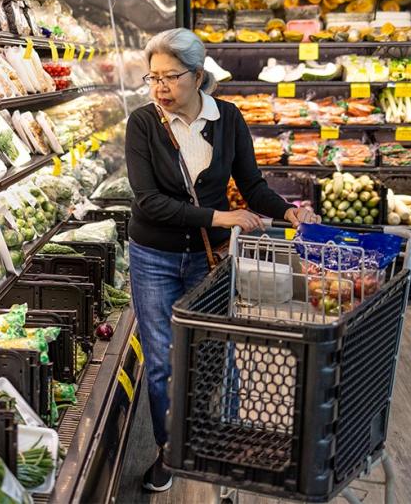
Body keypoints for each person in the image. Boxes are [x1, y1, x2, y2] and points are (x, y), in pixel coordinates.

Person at [125, 28, 319, 492]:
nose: (160, 88)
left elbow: (251, 185)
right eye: (153, 78)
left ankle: (213, 442)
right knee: (162, 363)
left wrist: (288, 211)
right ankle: (169, 452)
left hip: (207, 260)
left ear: (197, 76)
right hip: (154, 255)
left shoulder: (228, 119)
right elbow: (148, 201)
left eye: (170, 77)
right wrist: (223, 216)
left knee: (216, 355)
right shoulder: (143, 123)